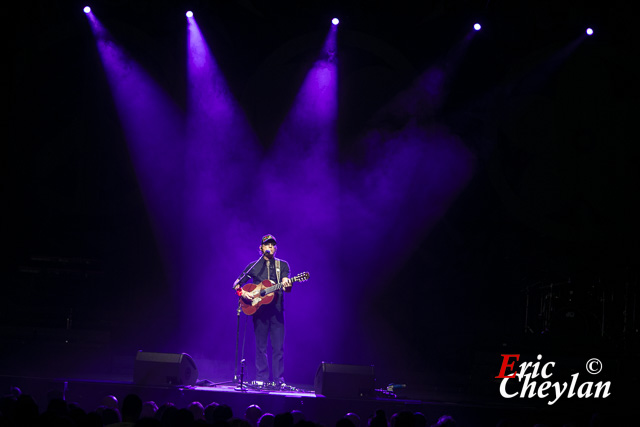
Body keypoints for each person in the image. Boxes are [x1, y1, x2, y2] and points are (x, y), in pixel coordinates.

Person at [233, 234, 292, 386]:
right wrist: (243, 293)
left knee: (278, 347)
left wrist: (287, 283)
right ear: (261, 248)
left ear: (276, 248)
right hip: (258, 311)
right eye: (267, 245)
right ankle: (261, 379)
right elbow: (237, 284)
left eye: (273, 245)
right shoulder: (254, 265)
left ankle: (279, 380)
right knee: (260, 347)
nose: (270, 247)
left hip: (277, 312)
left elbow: (287, 284)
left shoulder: (282, 265)